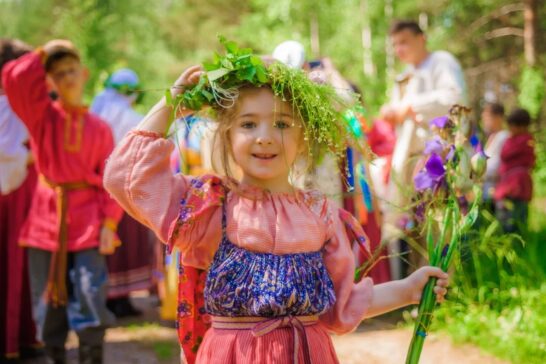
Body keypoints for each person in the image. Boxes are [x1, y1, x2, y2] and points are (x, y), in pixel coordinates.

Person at [104, 45, 449, 363]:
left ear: (303, 138)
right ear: (227, 135)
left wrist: (408, 289)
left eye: (282, 124)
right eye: (248, 124)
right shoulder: (207, 207)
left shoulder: (321, 214)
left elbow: (342, 304)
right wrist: (172, 105)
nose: (265, 136)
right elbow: (126, 177)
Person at [2, 39, 123, 364]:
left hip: (88, 222)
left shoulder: (100, 128)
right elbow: (12, 78)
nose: (68, 78)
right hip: (45, 221)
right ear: (50, 82)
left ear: (84, 74)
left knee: (90, 296)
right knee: (46, 304)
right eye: (59, 74)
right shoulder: (41, 119)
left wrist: (110, 223)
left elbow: (112, 181)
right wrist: (42, 52)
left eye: (72, 71)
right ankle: (55, 357)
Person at [382, 20, 466, 279]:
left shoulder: (441, 62)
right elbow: (400, 112)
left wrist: (411, 106)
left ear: (422, 38)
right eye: (395, 44)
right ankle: (416, 288)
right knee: (413, 226)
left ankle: (442, 288)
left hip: (438, 158)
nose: (399, 48)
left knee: (438, 223)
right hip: (410, 161)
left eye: (404, 41)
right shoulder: (405, 75)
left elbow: (456, 98)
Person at [90, 68, 155, 318]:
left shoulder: (97, 113)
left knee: (109, 244)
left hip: (100, 188)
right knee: (125, 243)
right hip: (126, 187)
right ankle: (122, 298)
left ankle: (108, 297)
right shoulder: (133, 117)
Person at [0, 38, 42, 362]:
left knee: (20, 264)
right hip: (13, 195)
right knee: (12, 264)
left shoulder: (21, 104)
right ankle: (13, 339)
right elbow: (13, 151)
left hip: (21, 194)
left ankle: (22, 334)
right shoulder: (15, 106)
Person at [494, 108, 535, 234]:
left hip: (516, 183)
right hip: (510, 182)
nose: (511, 129)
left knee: (516, 214)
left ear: (522, 126)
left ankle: (516, 241)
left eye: (513, 126)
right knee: (508, 214)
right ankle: (509, 240)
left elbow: (506, 154)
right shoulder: (516, 139)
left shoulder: (524, 140)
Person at [481, 102, 509, 206]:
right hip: (487, 190)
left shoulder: (504, 136)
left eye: (487, 118)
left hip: (497, 191)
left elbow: (497, 165)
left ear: (498, 117)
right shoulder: (492, 137)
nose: (484, 121)